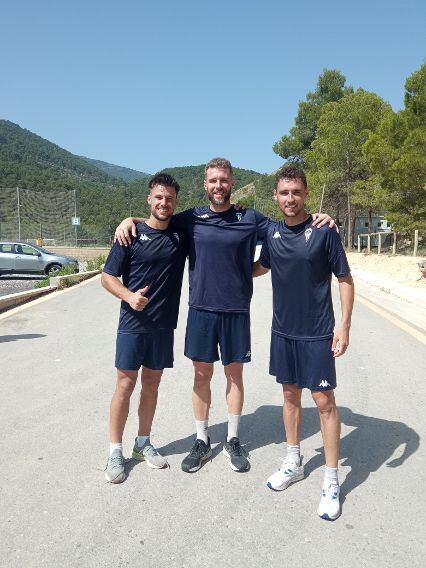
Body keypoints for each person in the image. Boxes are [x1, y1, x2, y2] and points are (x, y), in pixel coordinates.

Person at [115, 158, 335, 474]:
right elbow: (157, 218)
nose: (218, 185)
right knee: (201, 376)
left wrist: (317, 218)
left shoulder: (250, 218)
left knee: (234, 376)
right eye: (213, 180)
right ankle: (202, 439)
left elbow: (289, 224)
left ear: (232, 183)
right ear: (205, 185)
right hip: (201, 311)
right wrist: (129, 219)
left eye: (224, 180)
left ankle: (232, 439)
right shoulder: (190, 219)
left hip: (236, 311)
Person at [253, 163, 354, 520]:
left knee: (323, 401)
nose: (290, 198)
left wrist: (344, 325)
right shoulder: (272, 232)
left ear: (306, 194)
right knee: (289, 395)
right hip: (283, 332)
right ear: (276, 196)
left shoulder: (324, 230)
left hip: (317, 333)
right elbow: (260, 267)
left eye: (296, 192)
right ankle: (294, 461)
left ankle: (331, 480)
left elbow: (344, 279)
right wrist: (220, 266)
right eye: (284, 192)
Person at [102, 173, 188, 483]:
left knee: (151, 386)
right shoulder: (131, 235)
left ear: (175, 202)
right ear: (149, 199)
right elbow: (107, 276)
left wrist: (131, 217)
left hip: (163, 327)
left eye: (169, 199)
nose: (164, 203)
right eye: (159, 197)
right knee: (124, 386)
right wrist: (128, 296)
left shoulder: (181, 235)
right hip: (132, 325)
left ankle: (142, 443)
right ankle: (115, 451)